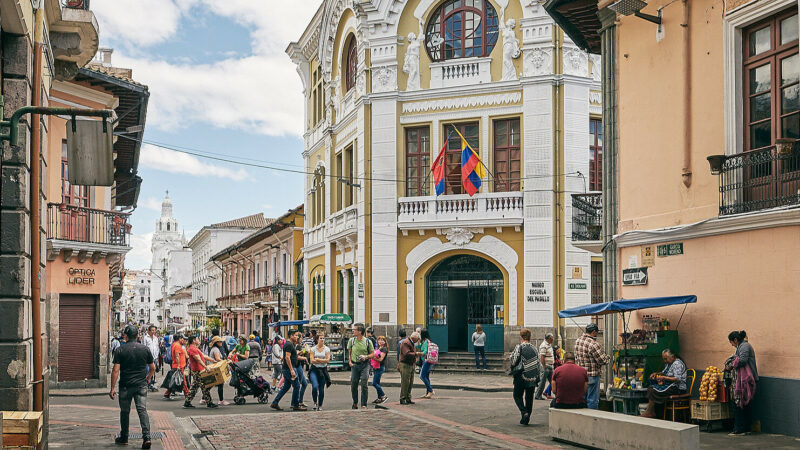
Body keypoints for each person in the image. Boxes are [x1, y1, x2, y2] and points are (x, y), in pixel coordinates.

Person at [110, 325, 155, 449]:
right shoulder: (145, 349)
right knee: (142, 410)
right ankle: (147, 437)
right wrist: (148, 378)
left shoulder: (120, 350)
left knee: (125, 412)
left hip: (125, 385)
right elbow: (152, 368)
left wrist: (112, 388)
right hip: (141, 385)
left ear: (126, 336)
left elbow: (115, 370)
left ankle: (124, 437)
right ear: (137, 336)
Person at [726, 330, 758, 436]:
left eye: (731, 342)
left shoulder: (744, 346)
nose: (731, 345)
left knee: (738, 403)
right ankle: (745, 428)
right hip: (744, 380)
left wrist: (731, 365)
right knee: (745, 404)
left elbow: (743, 360)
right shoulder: (742, 346)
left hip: (746, 380)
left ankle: (740, 429)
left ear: (735, 340)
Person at [641, 349, 687, 418]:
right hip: (670, 385)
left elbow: (677, 379)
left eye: (666, 359)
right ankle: (651, 411)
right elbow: (664, 372)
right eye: (664, 359)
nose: (665, 361)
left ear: (672, 356)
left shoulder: (677, 364)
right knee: (651, 387)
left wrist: (664, 378)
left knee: (654, 390)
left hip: (677, 388)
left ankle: (650, 411)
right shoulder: (669, 363)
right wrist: (656, 373)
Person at [575, 323, 611, 409]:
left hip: (581, 375)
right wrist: (608, 357)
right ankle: (592, 419)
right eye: (597, 332)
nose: (597, 334)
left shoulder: (578, 341)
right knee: (592, 400)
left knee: (583, 398)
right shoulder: (594, 344)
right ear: (594, 332)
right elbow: (603, 360)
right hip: (592, 376)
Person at [271, 330, 307, 411]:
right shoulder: (289, 344)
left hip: (287, 368)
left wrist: (298, 353)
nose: (297, 337)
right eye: (295, 335)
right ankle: (295, 404)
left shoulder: (289, 344)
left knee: (286, 387)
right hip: (288, 368)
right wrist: (292, 370)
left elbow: (291, 356)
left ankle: (275, 402)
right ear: (291, 336)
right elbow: (287, 357)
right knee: (297, 386)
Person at [510, 328, 540, 425]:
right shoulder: (535, 348)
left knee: (517, 395)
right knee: (529, 397)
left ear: (521, 337)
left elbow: (514, 360)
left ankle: (524, 412)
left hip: (521, 375)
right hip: (532, 376)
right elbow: (538, 363)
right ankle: (527, 415)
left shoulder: (519, 347)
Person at [184, 336, 218, 409]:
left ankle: (187, 402)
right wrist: (206, 367)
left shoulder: (194, 348)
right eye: (197, 339)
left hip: (197, 370)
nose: (199, 340)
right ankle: (209, 403)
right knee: (204, 386)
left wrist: (212, 360)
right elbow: (198, 360)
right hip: (197, 370)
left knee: (194, 387)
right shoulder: (192, 349)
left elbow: (203, 356)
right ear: (194, 340)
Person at [347, 323, 375, 409]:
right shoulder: (352, 340)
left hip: (365, 365)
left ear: (360, 331)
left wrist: (366, 356)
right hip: (355, 365)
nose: (353, 331)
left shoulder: (367, 341)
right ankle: (355, 402)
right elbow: (349, 351)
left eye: (354, 330)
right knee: (354, 384)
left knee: (364, 383)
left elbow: (372, 354)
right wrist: (350, 361)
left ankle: (364, 404)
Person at [309, 331, 331, 411]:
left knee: (321, 388)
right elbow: (312, 360)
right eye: (320, 338)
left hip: (323, 370)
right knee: (315, 386)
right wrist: (322, 360)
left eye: (323, 338)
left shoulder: (327, 349)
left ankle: (320, 404)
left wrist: (317, 359)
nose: (322, 340)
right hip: (314, 370)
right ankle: (315, 402)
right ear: (317, 339)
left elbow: (327, 360)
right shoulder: (313, 349)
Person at [398, 332, 422, 405]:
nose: (418, 341)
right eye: (417, 339)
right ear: (414, 338)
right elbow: (407, 353)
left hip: (410, 364)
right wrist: (416, 354)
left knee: (410, 383)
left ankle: (408, 397)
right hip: (405, 364)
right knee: (405, 382)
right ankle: (403, 398)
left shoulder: (411, 342)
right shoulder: (406, 342)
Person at [208, 336, 229, 405]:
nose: (221, 342)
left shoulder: (214, 348)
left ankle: (204, 398)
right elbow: (217, 359)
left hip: (214, 368)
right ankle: (221, 400)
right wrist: (225, 361)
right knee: (220, 384)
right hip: (216, 369)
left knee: (211, 384)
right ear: (216, 343)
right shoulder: (216, 349)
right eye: (220, 341)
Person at [535, 333, 556, 400]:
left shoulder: (549, 345)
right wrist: (544, 366)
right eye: (552, 338)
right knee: (542, 382)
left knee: (553, 381)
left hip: (550, 366)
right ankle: (538, 395)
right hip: (546, 366)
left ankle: (558, 395)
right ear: (549, 339)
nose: (553, 339)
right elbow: (542, 357)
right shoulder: (544, 345)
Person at [371, 336, 389, 404]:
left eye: (382, 340)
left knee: (374, 383)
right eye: (379, 340)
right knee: (377, 383)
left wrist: (373, 357)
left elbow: (381, 359)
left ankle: (383, 395)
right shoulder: (378, 348)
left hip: (380, 367)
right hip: (376, 367)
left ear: (384, 342)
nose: (380, 341)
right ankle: (379, 398)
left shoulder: (384, 349)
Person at [142, 325, 160, 391]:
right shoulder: (145, 338)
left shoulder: (156, 338)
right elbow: (144, 347)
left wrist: (157, 357)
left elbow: (157, 347)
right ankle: (146, 384)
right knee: (147, 371)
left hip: (154, 357)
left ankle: (151, 384)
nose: (153, 331)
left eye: (154, 330)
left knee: (152, 371)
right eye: (152, 330)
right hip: (147, 358)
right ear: (148, 331)